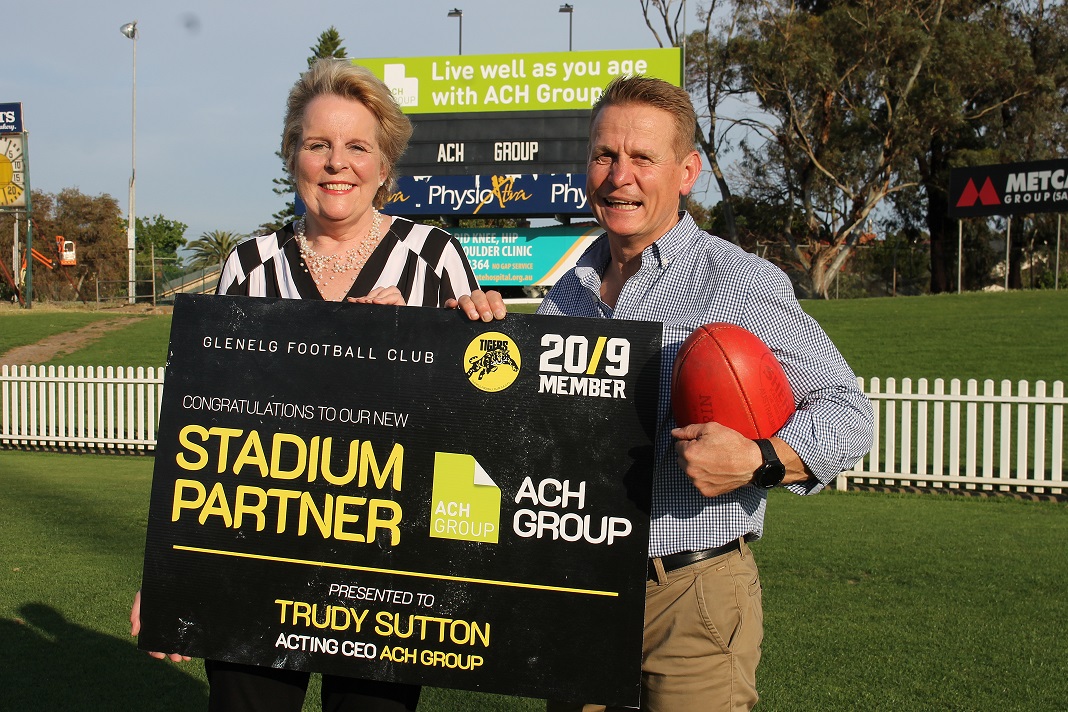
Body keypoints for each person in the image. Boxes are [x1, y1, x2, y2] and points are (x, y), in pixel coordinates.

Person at [129, 58, 506, 712]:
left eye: (359, 146)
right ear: (291, 158)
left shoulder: (434, 258)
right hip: (260, 556)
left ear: (385, 166)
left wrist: (438, 346)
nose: (338, 162)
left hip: (387, 569)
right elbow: (209, 428)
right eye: (317, 145)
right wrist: (174, 572)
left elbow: (466, 433)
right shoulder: (251, 265)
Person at [538, 75, 875, 712]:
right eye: (606, 155)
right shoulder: (570, 292)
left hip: (691, 589)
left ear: (687, 170)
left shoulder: (736, 282)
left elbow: (849, 413)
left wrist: (761, 459)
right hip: (582, 590)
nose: (620, 176)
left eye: (643, 158)